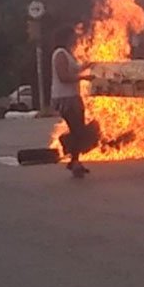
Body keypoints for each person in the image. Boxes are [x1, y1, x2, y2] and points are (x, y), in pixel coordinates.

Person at [51, 26, 93, 178]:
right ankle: (73, 161)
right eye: (72, 37)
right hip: (66, 99)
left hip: (73, 97)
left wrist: (86, 66)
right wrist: (84, 78)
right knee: (78, 130)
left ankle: (75, 161)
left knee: (79, 130)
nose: (74, 40)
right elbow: (63, 77)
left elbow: (73, 71)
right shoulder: (60, 54)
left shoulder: (66, 54)